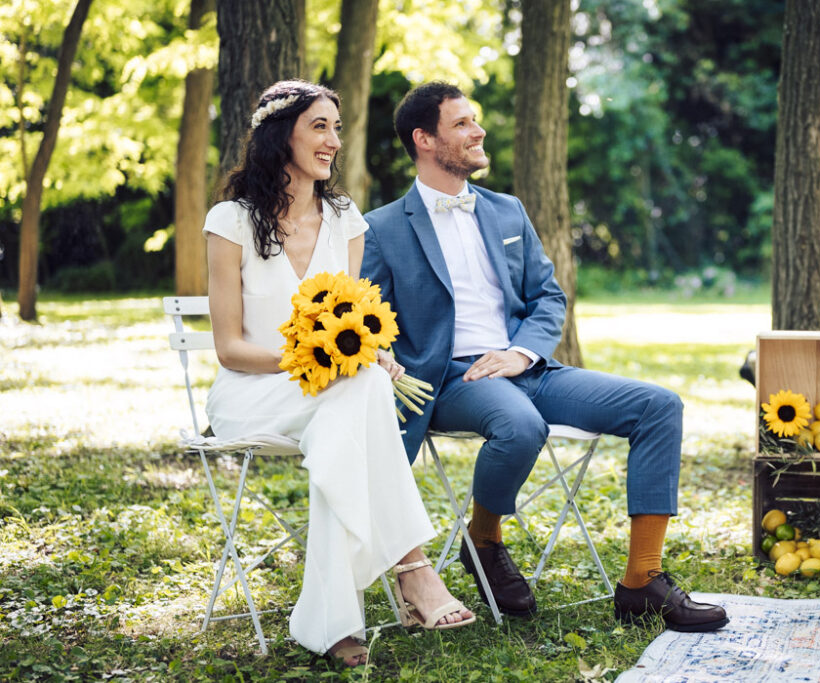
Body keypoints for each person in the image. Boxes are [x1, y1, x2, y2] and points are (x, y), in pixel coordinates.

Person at [361, 81, 728, 633]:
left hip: (526, 367)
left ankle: (642, 582)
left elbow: (548, 297)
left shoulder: (508, 211)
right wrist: (389, 364)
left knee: (659, 405)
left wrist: (521, 352)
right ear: (425, 139)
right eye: (461, 123)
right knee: (521, 426)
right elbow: (369, 317)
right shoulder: (382, 227)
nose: (478, 130)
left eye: (475, 120)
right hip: (450, 379)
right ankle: (484, 540)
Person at [203, 79, 474, 665]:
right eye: (318, 127)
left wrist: (366, 351)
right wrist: (318, 358)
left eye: (335, 128)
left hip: (335, 395)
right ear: (283, 135)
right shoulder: (230, 221)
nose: (333, 141)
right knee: (359, 393)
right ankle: (413, 570)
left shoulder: (345, 218)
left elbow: (355, 315)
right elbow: (229, 349)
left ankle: (334, 625)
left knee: (347, 416)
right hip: (253, 392)